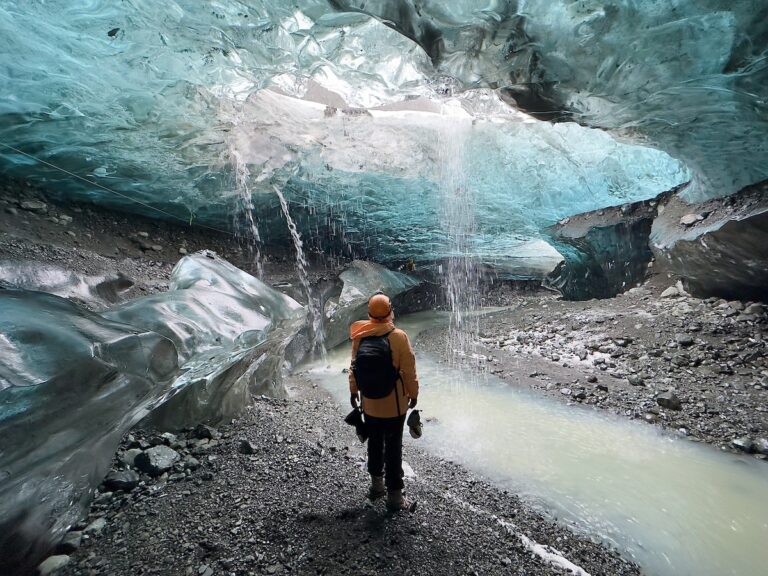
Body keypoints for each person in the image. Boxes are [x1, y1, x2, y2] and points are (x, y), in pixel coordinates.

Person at [349, 291, 419, 511]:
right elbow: (408, 371)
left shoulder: (361, 335)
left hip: (369, 403)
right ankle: (395, 498)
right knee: (394, 448)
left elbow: (354, 368)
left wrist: (354, 392)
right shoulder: (398, 337)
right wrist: (414, 394)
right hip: (395, 405)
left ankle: (377, 487)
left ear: (369, 313)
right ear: (390, 312)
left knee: (375, 444)